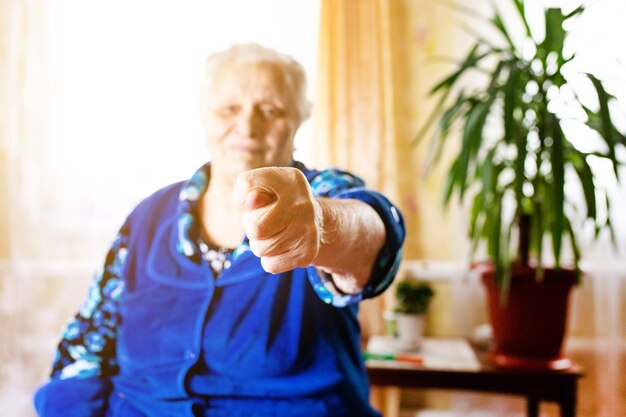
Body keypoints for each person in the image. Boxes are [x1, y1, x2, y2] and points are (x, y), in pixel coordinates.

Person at [34, 43, 405, 417]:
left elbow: (372, 233)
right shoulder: (148, 218)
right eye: (229, 109)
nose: (247, 125)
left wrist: (322, 225)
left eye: (271, 110)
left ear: (298, 121)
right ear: (205, 118)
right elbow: (84, 349)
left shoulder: (321, 193)